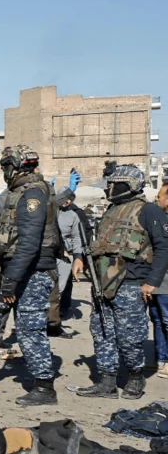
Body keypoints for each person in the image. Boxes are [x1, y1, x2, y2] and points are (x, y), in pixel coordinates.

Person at [0, 145, 60, 406]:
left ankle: (44, 387)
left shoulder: (33, 194)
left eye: (7, 166)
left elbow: (29, 243)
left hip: (30, 273)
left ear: (17, 167)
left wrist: (12, 281)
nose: (5, 171)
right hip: (7, 270)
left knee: (29, 329)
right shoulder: (14, 193)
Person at [73, 165, 168, 399]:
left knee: (130, 335)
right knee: (103, 330)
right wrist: (81, 261)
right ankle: (106, 381)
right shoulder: (111, 210)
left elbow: (164, 248)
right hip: (103, 283)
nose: (110, 188)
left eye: (115, 184)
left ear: (130, 186)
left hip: (132, 283)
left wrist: (151, 282)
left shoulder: (148, 211)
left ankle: (135, 378)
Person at [48, 188, 87, 337]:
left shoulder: (73, 215)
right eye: (65, 198)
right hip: (48, 256)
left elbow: (77, 237)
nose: (68, 201)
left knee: (60, 290)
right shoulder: (48, 212)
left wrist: (78, 256)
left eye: (71, 199)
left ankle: (53, 323)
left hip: (65, 258)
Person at [146, 182, 168, 381]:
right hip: (156, 280)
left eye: (160, 196)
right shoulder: (158, 219)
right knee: (158, 320)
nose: (157, 199)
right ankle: (160, 359)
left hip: (166, 281)